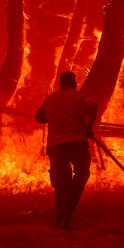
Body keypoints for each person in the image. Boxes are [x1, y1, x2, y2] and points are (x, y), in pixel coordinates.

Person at [35, 71, 99, 230]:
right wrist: (88, 128)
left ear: (60, 84)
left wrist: (51, 117)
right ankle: (70, 206)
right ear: (75, 83)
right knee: (82, 173)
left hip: (56, 146)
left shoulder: (51, 99)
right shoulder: (79, 96)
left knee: (61, 182)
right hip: (76, 142)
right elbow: (94, 106)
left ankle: (63, 216)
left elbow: (39, 117)